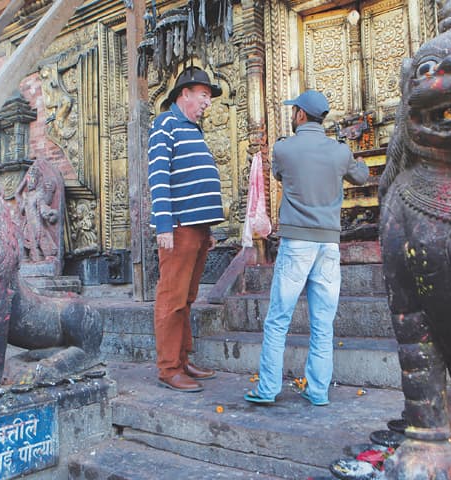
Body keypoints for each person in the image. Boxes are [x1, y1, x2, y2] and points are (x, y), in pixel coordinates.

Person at [245, 90, 369, 406]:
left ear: (300, 115)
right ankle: (317, 390)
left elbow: (278, 174)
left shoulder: (284, 149)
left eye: (294, 110)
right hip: (328, 245)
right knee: (323, 324)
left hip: (296, 243)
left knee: (278, 319)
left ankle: (268, 388)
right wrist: (356, 158)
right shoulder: (339, 153)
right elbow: (361, 176)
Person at [147, 66, 225, 392]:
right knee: (172, 299)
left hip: (197, 228)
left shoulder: (194, 130)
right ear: (185, 94)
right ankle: (168, 369)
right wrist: (163, 224)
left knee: (187, 298)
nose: (208, 102)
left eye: (209, 97)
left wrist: (207, 228)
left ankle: (182, 360)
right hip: (178, 228)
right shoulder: (166, 124)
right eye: (204, 96)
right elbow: (159, 175)